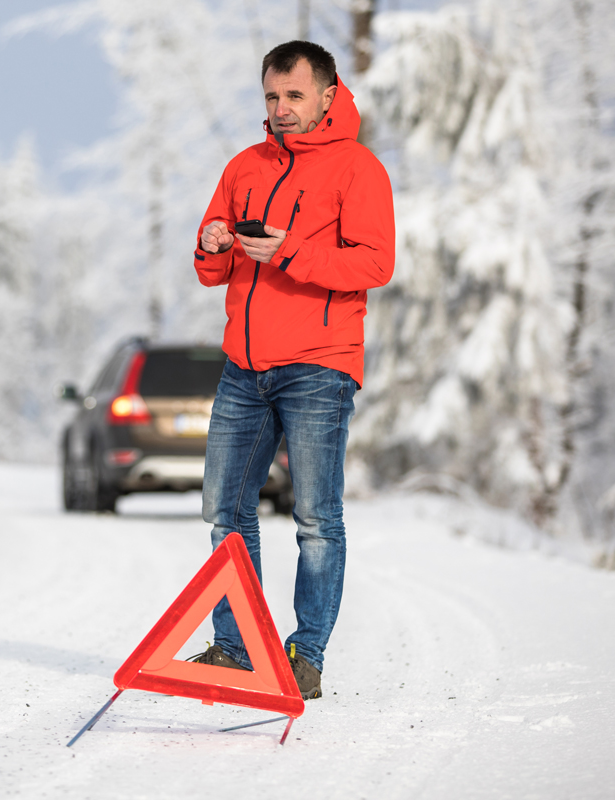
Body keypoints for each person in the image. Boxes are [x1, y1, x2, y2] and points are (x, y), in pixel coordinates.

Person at [189, 40, 395, 699]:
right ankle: (236, 645)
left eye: (295, 96)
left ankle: (306, 657)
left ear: (329, 95)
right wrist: (213, 242)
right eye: (272, 97)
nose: (281, 110)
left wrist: (290, 253)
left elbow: (373, 265)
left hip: (318, 368)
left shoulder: (359, 170)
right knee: (225, 509)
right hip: (242, 368)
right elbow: (210, 269)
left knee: (315, 517)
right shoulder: (244, 166)